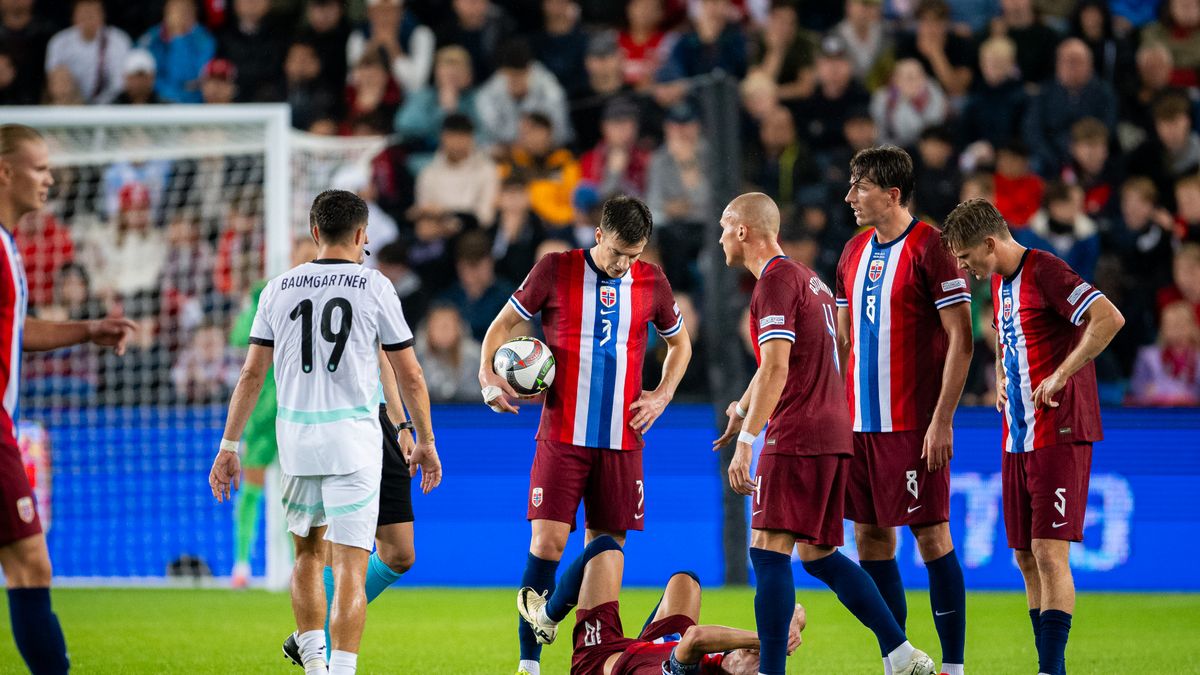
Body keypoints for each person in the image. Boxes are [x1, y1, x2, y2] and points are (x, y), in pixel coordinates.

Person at [207, 190, 440, 675]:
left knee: (308, 557)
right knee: (352, 568)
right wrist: (425, 441)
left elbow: (251, 375)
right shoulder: (374, 288)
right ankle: (342, 670)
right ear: (360, 236)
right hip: (353, 441)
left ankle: (314, 665)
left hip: (296, 441)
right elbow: (411, 373)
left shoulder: (277, 289)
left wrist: (229, 444)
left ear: (315, 233)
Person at [713, 192, 936, 675]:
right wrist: (744, 406)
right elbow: (784, 361)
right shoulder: (806, 279)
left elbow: (775, 366)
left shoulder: (772, 284)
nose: (721, 238)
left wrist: (747, 442)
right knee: (819, 554)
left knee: (767, 550)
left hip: (797, 432)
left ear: (745, 231)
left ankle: (770, 671)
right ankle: (901, 654)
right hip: (834, 430)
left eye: (725, 227)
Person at [477, 195, 692, 675]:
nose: (623, 264)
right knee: (548, 543)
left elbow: (681, 344)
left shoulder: (652, 281)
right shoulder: (555, 269)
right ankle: (528, 663)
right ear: (598, 236)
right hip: (562, 433)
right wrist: (488, 377)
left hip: (623, 438)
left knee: (607, 553)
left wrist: (662, 395)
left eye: (634, 255)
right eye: (617, 252)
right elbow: (501, 326)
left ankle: (594, 660)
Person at [940, 197, 1125, 675]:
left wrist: (1062, 374)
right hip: (1017, 433)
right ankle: (1047, 664)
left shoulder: (1045, 270)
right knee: (1024, 556)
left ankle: (1051, 668)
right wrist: (1003, 375)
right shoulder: (1002, 282)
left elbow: (1108, 318)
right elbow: (1010, 339)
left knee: (1048, 551)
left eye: (965, 257)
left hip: (1059, 429)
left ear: (988, 243)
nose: (965, 267)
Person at [0, 124, 136, 675]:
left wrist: (86, 330)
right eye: (39, 168)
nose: (50, 179)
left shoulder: (8, 245)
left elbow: (16, 331)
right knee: (32, 564)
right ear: (4, 171)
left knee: (29, 565)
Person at [837, 147, 973, 675]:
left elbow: (961, 339)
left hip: (913, 425)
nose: (850, 197)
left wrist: (942, 420)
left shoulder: (933, 249)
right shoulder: (850, 252)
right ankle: (898, 661)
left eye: (861, 187)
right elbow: (844, 343)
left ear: (892, 195)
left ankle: (955, 667)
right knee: (870, 538)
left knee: (932, 535)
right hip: (857, 425)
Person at [517, 535, 805, 675]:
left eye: (754, 662)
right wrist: (792, 626)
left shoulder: (690, 671)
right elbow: (798, 610)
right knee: (686, 580)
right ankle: (649, 642)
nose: (753, 655)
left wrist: (771, 640)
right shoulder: (725, 659)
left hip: (599, 662)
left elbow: (696, 638)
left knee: (604, 549)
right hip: (650, 649)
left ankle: (546, 617)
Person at [44, 0, 131, 104]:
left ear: (102, 16)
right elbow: (53, 80)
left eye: (92, 13)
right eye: (83, 13)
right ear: (74, 16)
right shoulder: (60, 42)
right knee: (60, 77)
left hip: (108, 104)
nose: (88, 17)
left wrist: (100, 105)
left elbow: (119, 84)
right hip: (71, 103)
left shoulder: (118, 40)